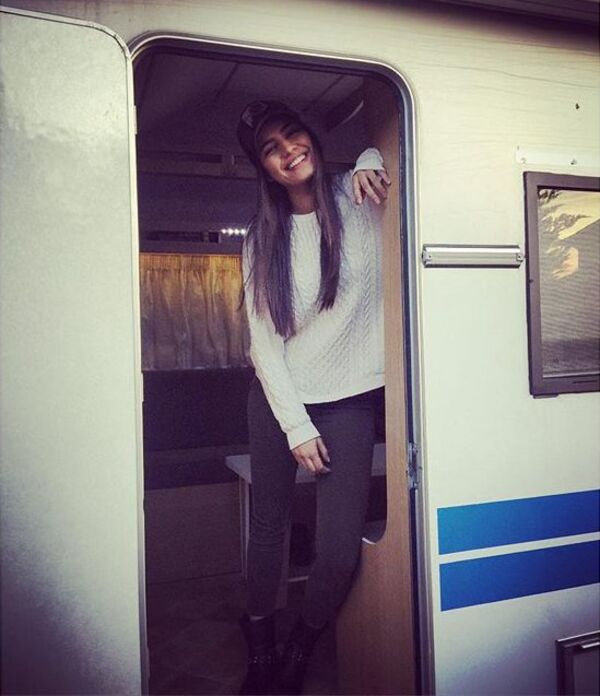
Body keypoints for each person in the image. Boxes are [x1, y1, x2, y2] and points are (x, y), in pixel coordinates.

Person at [236, 100, 389, 695]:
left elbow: (393, 151)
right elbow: (263, 343)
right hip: (279, 400)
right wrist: (296, 426)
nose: (287, 151)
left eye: (292, 134)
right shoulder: (261, 239)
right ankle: (261, 644)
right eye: (270, 149)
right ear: (264, 168)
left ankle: (304, 639)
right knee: (268, 530)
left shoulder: (358, 197)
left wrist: (372, 155)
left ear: (311, 137)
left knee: (337, 551)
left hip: (349, 399)